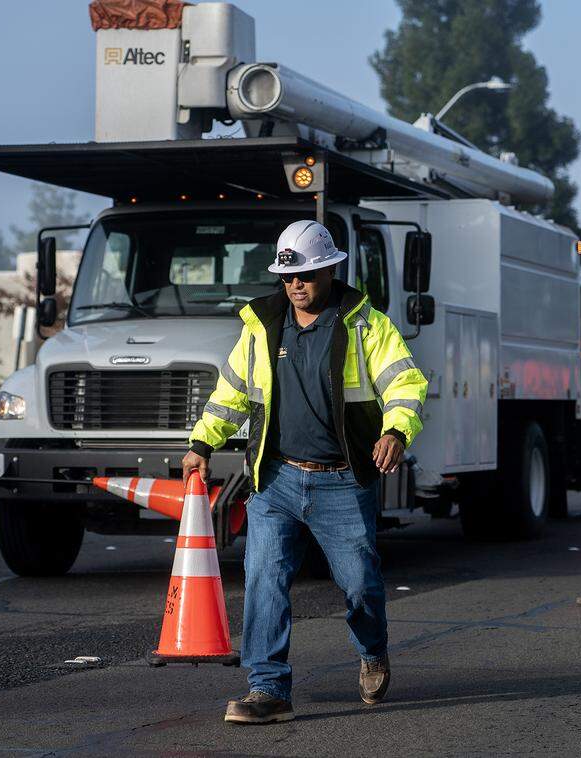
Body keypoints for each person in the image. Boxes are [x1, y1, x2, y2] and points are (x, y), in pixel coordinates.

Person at [182, 219, 428, 724]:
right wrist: (203, 441)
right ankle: (266, 687)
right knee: (265, 577)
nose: (296, 285)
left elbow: (405, 383)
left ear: (332, 268)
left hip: (342, 478)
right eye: (288, 277)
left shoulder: (366, 325)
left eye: (308, 275)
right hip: (276, 479)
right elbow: (229, 393)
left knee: (360, 584)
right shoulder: (261, 327)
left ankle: (372, 650)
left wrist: (395, 430)